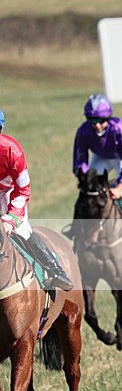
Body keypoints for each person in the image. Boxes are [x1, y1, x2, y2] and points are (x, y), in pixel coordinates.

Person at [0, 108, 73, 291]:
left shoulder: (13, 151)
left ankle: (55, 271)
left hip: (11, 192)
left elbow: (23, 190)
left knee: (22, 230)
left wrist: (11, 218)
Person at [70, 93, 122, 237]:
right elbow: (80, 159)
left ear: (108, 118)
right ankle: (76, 228)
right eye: (92, 120)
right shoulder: (83, 131)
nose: (97, 126)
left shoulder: (121, 129)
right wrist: (83, 178)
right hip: (101, 157)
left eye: (101, 120)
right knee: (87, 193)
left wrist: (119, 187)